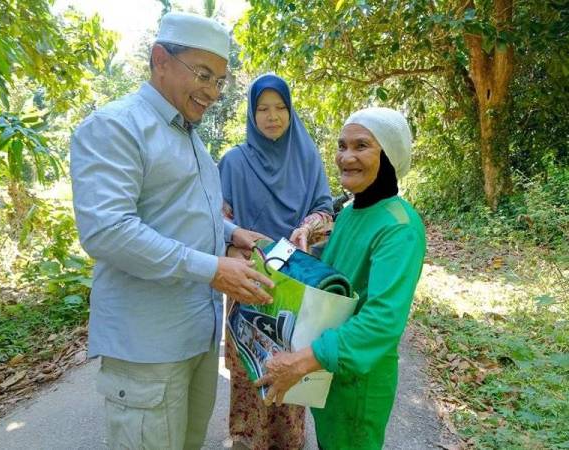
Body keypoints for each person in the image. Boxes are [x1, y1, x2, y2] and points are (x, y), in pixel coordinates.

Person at [70, 12, 274, 450]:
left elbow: (180, 213)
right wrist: (212, 269)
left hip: (195, 336)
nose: (213, 92)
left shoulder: (189, 137)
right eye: (203, 74)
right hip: (148, 347)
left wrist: (230, 233)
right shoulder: (117, 126)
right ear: (160, 58)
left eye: (220, 81)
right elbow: (107, 230)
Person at [257, 107, 427, 450]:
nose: (346, 157)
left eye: (361, 146)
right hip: (331, 371)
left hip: (359, 382)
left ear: (390, 155)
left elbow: (382, 321)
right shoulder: (351, 212)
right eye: (341, 145)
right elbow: (336, 275)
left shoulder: (399, 226)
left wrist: (301, 361)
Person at [218, 73, 333, 450]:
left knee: (292, 372)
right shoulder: (233, 162)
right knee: (250, 373)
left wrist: (307, 227)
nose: (272, 116)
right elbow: (217, 219)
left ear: (290, 111)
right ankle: (246, 441)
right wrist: (234, 243)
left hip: (297, 285)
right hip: (247, 281)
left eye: (280, 108)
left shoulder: (306, 156)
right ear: (251, 114)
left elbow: (324, 210)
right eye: (262, 108)